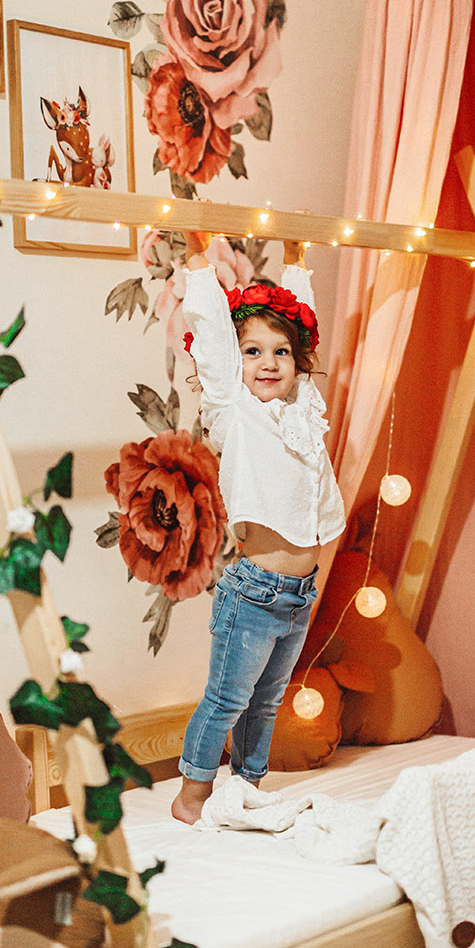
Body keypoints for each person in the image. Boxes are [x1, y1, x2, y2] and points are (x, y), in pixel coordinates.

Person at [171, 230, 346, 824]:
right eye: (253, 352)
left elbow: (304, 328)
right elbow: (214, 340)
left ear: (299, 364)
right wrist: (199, 261)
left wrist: (297, 262)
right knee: (228, 699)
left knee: (267, 702)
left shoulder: (302, 409)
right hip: (254, 592)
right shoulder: (235, 411)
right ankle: (192, 797)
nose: (268, 363)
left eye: (281, 353)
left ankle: (244, 790)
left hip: (299, 592)